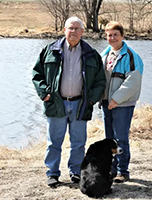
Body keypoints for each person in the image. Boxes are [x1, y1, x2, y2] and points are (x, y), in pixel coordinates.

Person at [32, 16, 106, 187]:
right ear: (64, 30)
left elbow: (100, 81)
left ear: (82, 32)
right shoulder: (49, 51)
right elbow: (37, 75)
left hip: (80, 105)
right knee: (54, 142)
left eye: (76, 29)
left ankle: (76, 172)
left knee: (78, 143)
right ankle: (52, 173)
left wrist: (90, 101)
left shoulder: (91, 54)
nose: (73, 31)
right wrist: (45, 94)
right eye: (70, 28)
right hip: (56, 103)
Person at [100, 21, 144, 183]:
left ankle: (123, 171)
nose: (112, 38)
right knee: (109, 138)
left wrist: (115, 99)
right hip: (106, 103)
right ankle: (111, 169)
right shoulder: (105, 55)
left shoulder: (131, 56)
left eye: (115, 35)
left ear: (122, 36)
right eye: (109, 35)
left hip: (122, 105)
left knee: (121, 138)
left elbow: (133, 82)